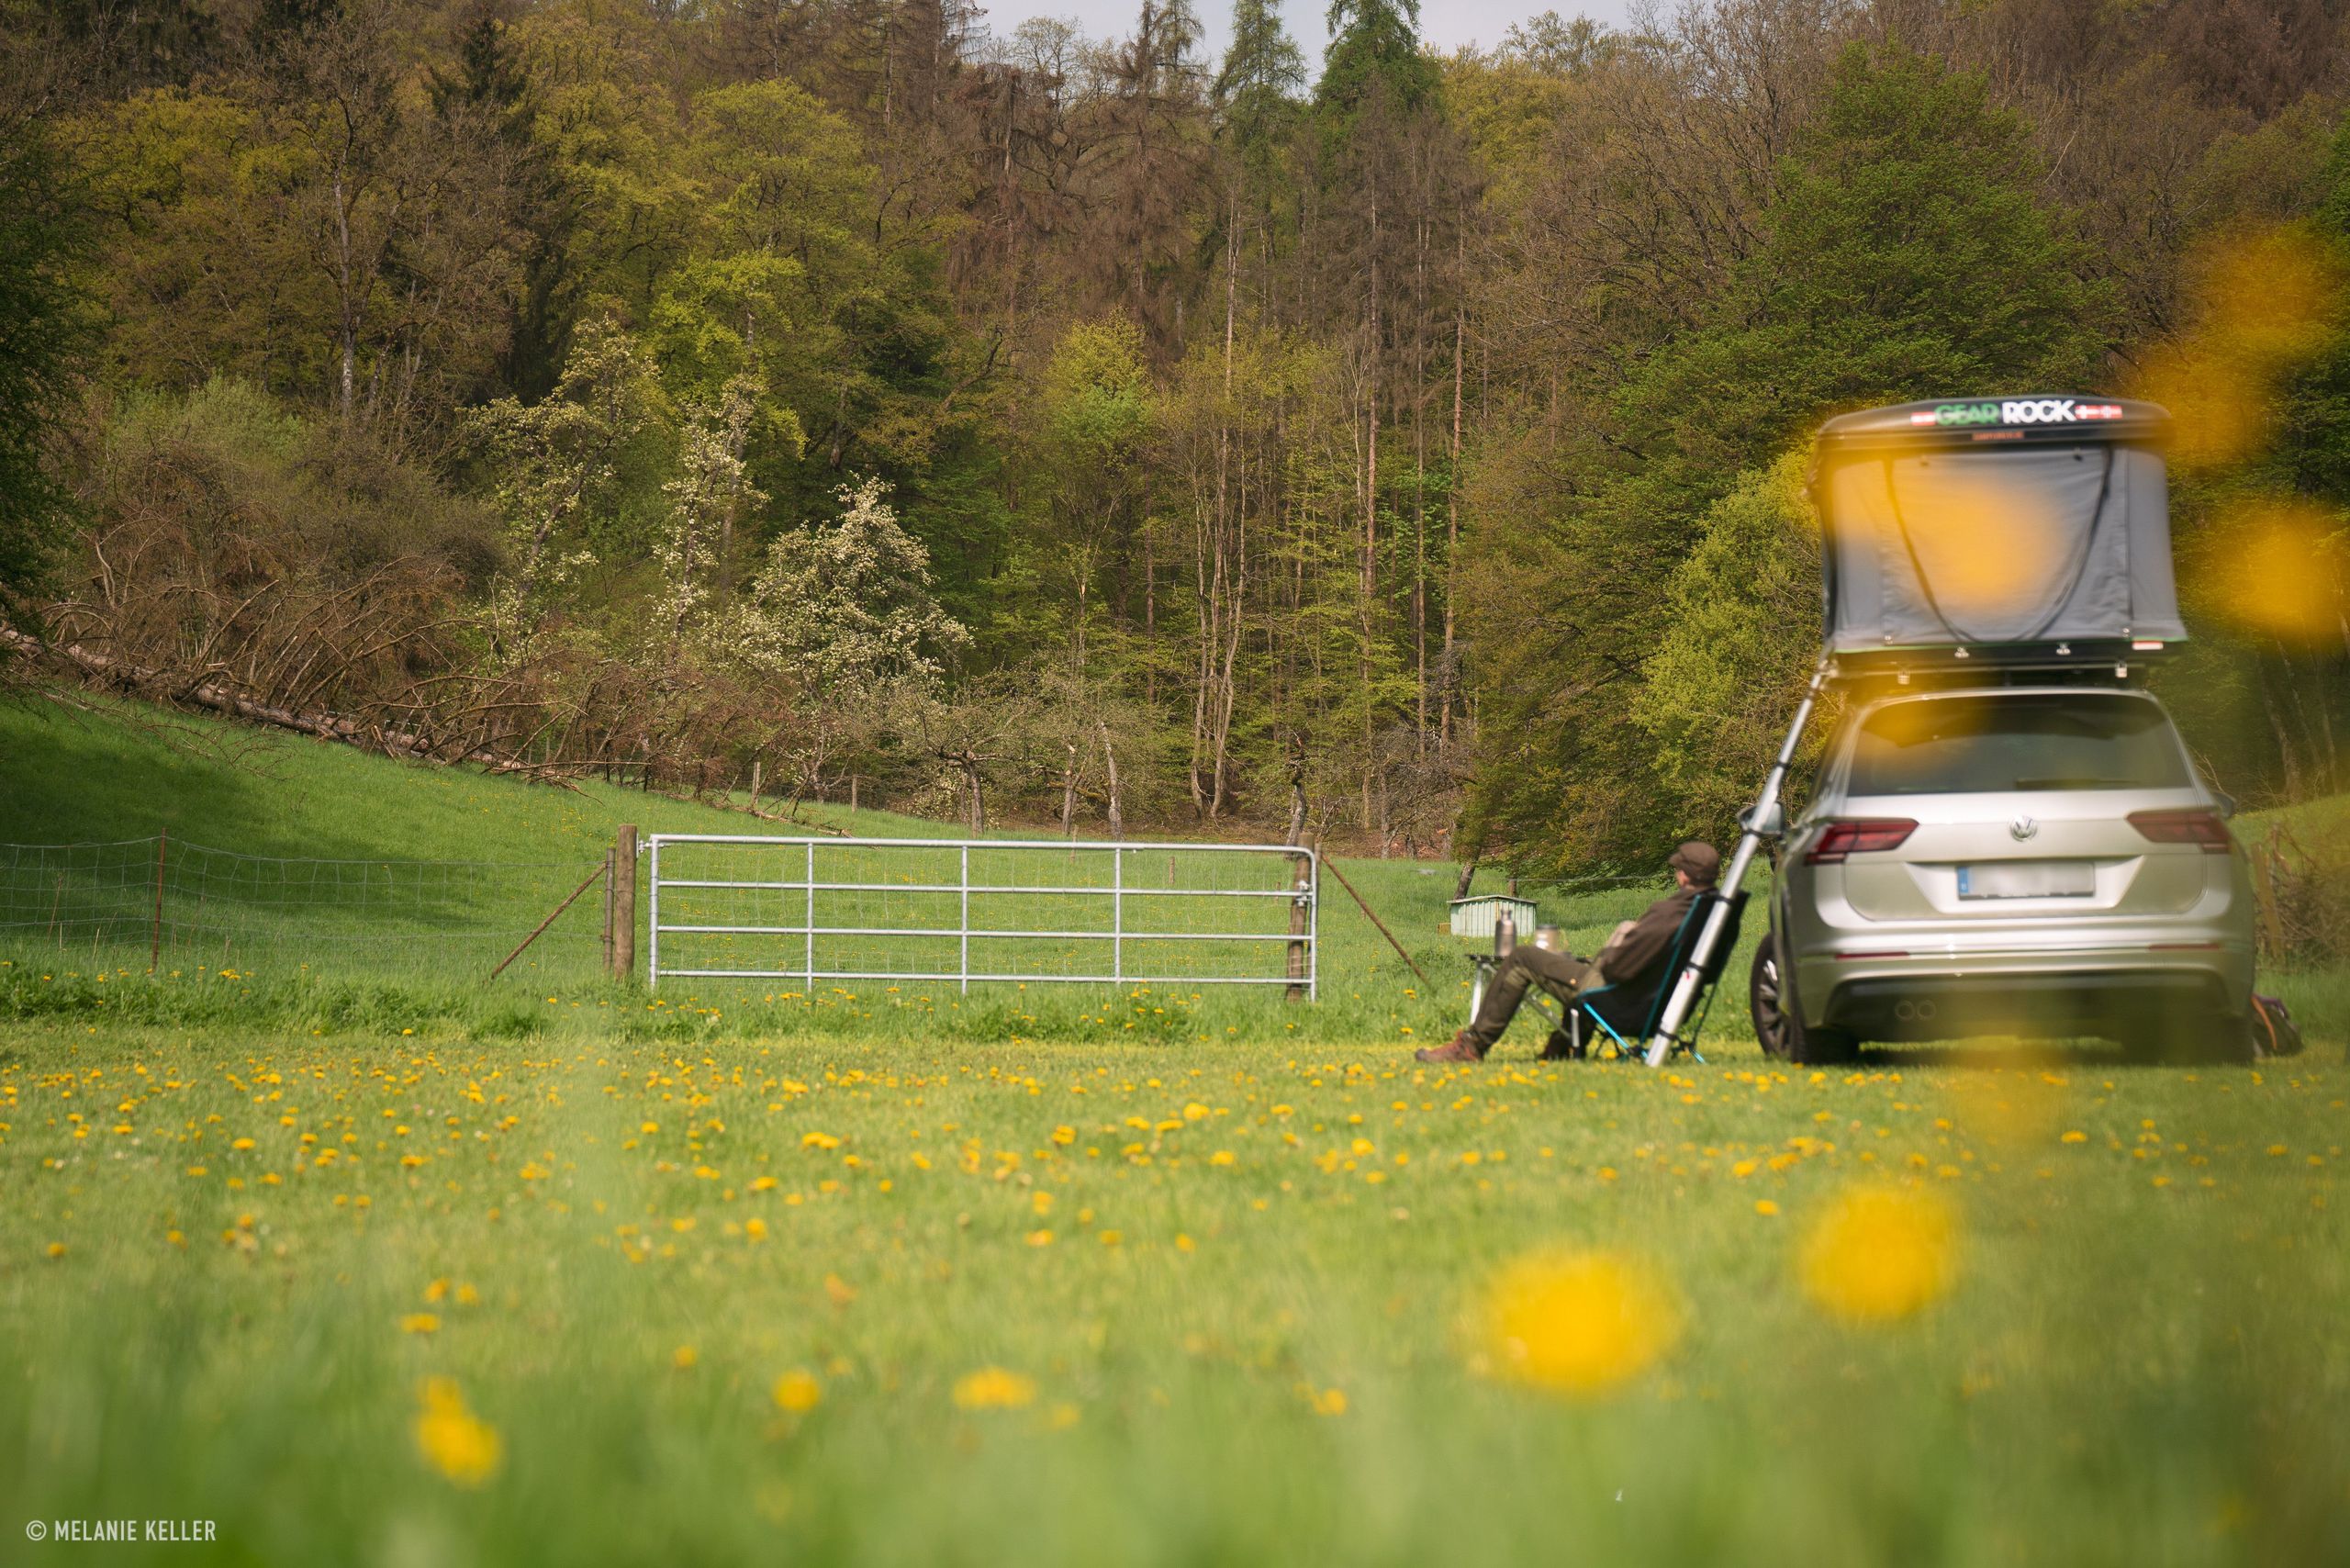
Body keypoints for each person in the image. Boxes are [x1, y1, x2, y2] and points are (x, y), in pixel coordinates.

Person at [1416, 841, 1720, 1063]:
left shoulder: (1671, 913)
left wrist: (1604, 960)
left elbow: (1620, 968)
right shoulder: (1713, 913)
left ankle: (1472, 1047)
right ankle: (1560, 1049)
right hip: (1662, 1004)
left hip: (1620, 998)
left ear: (1684, 874)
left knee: (1522, 957)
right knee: (1574, 965)